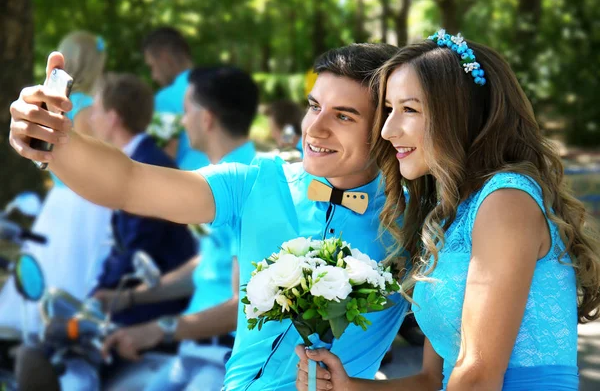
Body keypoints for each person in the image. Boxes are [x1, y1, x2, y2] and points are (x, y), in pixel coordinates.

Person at [7, 43, 408, 391]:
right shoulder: (254, 182)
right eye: (314, 107)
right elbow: (129, 182)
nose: (314, 129)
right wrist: (57, 142)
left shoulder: (419, 223)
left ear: (385, 127)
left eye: (343, 116)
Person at [295, 30, 600, 390]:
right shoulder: (446, 217)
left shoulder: (506, 201)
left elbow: (478, 374)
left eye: (409, 109)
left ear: (460, 115)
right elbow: (431, 380)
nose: (388, 130)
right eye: (389, 110)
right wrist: (347, 387)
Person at [96, 67, 260, 391]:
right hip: (195, 352)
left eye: (186, 112)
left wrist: (160, 328)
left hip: (225, 359)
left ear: (207, 119)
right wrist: (130, 298)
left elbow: (247, 306)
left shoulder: (250, 185)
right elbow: (209, 265)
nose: (182, 123)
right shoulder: (225, 175)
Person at [0, 30, 112, 333]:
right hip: (86, 199)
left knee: (50, 262)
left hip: (60, 199)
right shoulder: (91, 109)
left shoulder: (60, 103)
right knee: (79, 266)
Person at [87, 72, 197, 326]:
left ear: (113, 118)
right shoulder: (135, 157)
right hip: (138, 287)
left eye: (96, 111)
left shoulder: (149, 165)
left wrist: (101, 293)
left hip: (157, 299)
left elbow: (140, 249)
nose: (91, 119)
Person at [143, 27, 210, 170]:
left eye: (152, 66)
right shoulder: (217, 85)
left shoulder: (165, 98)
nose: (153, 76)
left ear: (164, 57)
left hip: (188, 181)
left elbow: (160, 160)